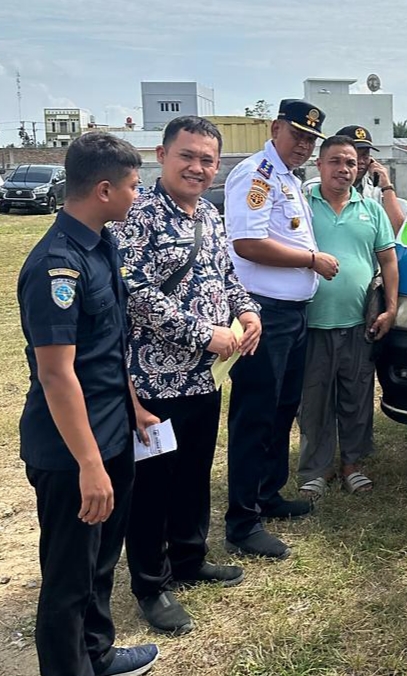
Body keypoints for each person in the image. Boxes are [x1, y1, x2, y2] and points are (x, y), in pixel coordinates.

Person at [111, 116, 262, 635]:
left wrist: (247, 312)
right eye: (187, 156)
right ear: (161, 155)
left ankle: (190, 558)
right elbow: (135, 293)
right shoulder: (137, 215)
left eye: (207, 159)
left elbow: (226, 274)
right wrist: (205, 333)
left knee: (196, 472)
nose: (198, 167)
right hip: (154, 382)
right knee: (153, 484)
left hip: (206, 377)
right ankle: (151, 585)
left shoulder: (212, 215)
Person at [17, 132, 159, 676]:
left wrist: (135, 406)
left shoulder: (102, 245)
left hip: (111, 429)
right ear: (104, 189)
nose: (136, 194)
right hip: (71, 451)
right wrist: (90, 465)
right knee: (68, 578)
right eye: (131, 185)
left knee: (101, 561)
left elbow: (107, 348)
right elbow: (56, 375)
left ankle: (97, 654)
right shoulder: (57, 265)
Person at [224, 99, 339, 558]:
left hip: (292, 314)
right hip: (263, 313)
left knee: (281, 408)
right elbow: (248, 243)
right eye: (297, 136)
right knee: (255, 415)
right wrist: (311, 260)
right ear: (274, 129)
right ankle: (243, 521)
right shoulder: (257, 174)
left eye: (311, 140)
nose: (304, 146)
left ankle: (267, 495)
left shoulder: (288, 178)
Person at [296, 135, 398, 499]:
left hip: (358, 323)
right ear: (319, 166)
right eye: (336, 161)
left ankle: (353, 465)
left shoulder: (370, 209)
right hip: (310, 323)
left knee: (357, 398)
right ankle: (315, 470)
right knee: (314, 400)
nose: (344, 169)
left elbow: (388, 260)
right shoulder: (301, 207)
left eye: (351, 163)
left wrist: (391, 307)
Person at [333, 125, 405, 234]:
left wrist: (387, 186)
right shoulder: (316, 187)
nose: (361, 161)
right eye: (356, 155)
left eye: (365, 156)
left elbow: (398, 231)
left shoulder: (374, 193)